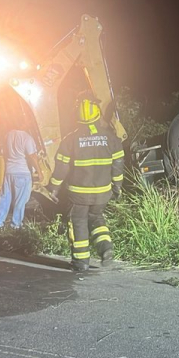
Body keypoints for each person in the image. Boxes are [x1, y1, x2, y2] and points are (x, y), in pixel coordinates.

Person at [48, 97, 124, 272]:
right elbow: (118, 166)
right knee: (96, 217)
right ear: (98, 115)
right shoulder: (111, 139)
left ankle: (81, 262)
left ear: (77, 117)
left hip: (79, 195)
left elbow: (61, 169)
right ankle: (105, 247)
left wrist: (54, 188)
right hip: (103, 193)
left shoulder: (70, 140)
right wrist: (117, 186)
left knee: (79, 222)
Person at [0, 128, 42, 229]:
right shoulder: (26, 138)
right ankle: (16, 224)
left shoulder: (8, 135)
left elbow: (4, 152)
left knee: (5, 198)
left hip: (9, 172)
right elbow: (33, 156)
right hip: (22, 173)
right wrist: (40, 172)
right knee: (20, 200)